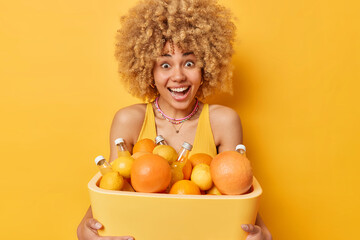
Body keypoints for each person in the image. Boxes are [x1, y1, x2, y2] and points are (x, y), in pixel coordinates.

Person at [77, 0, 272, 239]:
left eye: (189, 63)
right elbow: (113, 183)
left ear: (206, 68)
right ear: (149, 71)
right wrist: (84, 225)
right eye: (165, 64)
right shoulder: (129, 120)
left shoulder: (223, 122)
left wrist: (260, 230)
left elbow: (238, 188)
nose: (178, 76)